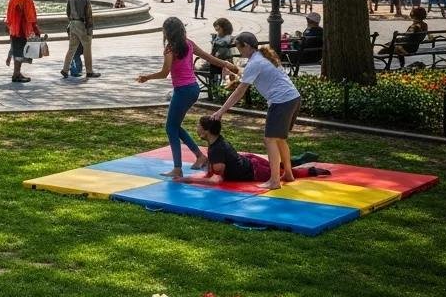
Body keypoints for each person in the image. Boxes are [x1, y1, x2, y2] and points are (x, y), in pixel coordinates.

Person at [136, 17, 236, 179]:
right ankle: (199, 156)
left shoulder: (170, 49)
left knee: (170, 128)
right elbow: (209, 58)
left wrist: (147, 77)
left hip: (183, 90)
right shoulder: (189, 43)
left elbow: (164, 73)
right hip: (193, 89)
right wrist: (227, 64)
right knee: (175, 126)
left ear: (168, 33)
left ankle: (177, 168)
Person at [209, 31, 302, 190]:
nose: (239, 51)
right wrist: (232, 73)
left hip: (281, 101)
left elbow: (240, 91)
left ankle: (274, 181)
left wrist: (221, 111)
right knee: (279, 139)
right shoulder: (262, 56)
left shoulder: (255, 62)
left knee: (270, 139)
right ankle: (288, 173)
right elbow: (247, 75)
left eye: (239, 48)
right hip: (293, 98)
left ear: (245, 46)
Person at [195, 115, 323, 183]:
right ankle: (297, 160)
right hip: (250, 161)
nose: (197, 128)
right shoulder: (219, 140)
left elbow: (219, 170)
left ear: (206, 131)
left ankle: (311, 171)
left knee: (281, 174)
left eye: (198, 126)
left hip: (253, 170)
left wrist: (207, 167)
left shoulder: (214, 149)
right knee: (277, 167)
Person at [61, 0, 99, 79]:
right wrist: (89, 29)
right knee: (87, 48)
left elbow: (68, 12)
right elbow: (89, 15)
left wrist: (72, 21)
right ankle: (89, 71)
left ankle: (65, 69)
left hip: (73, 24)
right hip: (82, 25)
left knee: (71, 48)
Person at [5, 0, 40, 84]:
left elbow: (8, 16)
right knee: (20, 52)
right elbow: (31, 17)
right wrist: (36, 30)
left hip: (13, 29)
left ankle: (17, 73)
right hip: (22, 30)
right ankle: (16, 74)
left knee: (17, 51)